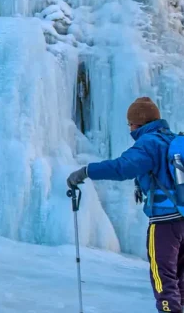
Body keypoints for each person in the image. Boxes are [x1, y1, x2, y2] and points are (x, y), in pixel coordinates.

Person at [67, 97, 181, 313]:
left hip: (165, 223)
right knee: (180, 278)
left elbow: (123, 167)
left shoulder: (149, 142)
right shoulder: (173, 140)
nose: (129, 128)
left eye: (130, 124)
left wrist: (86, 171)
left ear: (138, 124)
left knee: (163, 277)